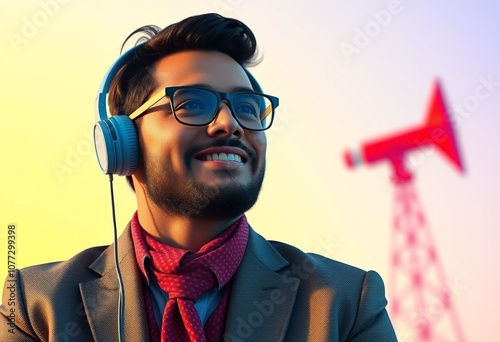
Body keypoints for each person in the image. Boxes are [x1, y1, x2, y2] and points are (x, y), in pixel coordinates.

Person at [0, 13, 397, 341]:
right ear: (122, 141)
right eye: (191, 103)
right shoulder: (35, 306)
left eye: (247, 107)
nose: (229, 123)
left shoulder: (347, 304)